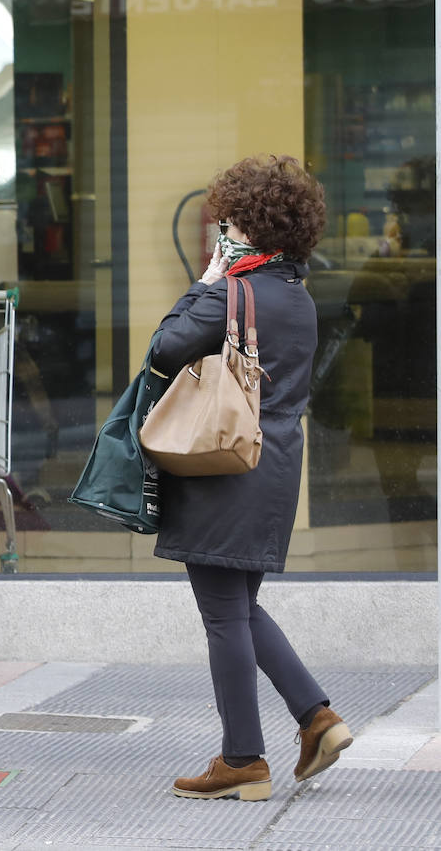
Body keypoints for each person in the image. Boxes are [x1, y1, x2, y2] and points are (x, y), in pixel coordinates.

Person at [149, 155, 351, 802]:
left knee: (222, 617)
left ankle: (242, 760)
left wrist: (208, 278)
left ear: (249, 227)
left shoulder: (233, 295)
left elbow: (164, 348)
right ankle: (318, 719)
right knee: (241, 606)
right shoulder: (296, 297)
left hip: (221, 470)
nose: (221, 230)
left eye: (229, 220)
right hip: (273, 471)